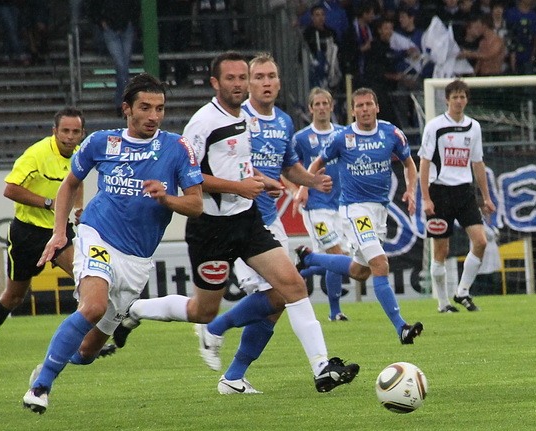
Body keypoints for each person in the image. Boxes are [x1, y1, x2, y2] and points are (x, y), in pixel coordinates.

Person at [116, 51, 359, 394]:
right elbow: (188, 175)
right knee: (203, 311)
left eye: (242, 77)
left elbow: (238, 162)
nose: (238, 84)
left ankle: (321, 367)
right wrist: (240, 187)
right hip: (211, 228)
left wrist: (261, 179)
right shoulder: (203, 123)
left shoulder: (244, 116)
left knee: (292, 286)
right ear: (215, 83)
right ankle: (136, 309)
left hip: (246, 220)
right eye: (230, 78)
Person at [22, 73, 204, 413]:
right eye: (145, 107)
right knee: (92, 306)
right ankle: (40, 387)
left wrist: (166, 198)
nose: (153, 116)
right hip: (98, 235)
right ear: (127, 109)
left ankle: (51, 362)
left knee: (87, 352)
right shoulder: (101, 142)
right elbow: (69, 184)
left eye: (160, 109)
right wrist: (60, 232)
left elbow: (196, 205)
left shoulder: (178, 148)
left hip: (137, 259)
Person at [0, 108, 110, 373]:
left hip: (59, 232)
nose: (70, 137)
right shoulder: (37, 154)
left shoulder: (79, 153)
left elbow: (77, 181)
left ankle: (89, 342)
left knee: (87, 279)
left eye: (75, 132)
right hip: (27, 233)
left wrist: (78, 208)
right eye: (65, 131)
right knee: (14, 296)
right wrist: (49, 202)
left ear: (82, 134)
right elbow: (10, 189)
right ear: (54, 131)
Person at [296, 87, 423, 345]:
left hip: (379, 211)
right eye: (360, 106)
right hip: (354, 210)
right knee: (380, 264)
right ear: (353, 111)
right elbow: (317, 163)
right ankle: (401, 327)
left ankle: (309, 258)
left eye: (369, 104)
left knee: (359, 271)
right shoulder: (342, 138)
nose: (365, 109)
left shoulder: (391, 133)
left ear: (377, 107)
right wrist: (305, 187)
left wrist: (411, 190)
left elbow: (409, 163)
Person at [418, 79, 496, 313]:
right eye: (455, 97)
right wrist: (426, 197)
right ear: (447, 100)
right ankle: (443, 303)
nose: (459, 101)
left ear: (467, 99)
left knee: (481, 241)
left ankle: (462, 292)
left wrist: (486, 197)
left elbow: (478, 162)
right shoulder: (435, 126)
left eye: (462, 97)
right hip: (439, 191)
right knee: (441, 250)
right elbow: (424, 162)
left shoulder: (474, 127)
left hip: (464, 191)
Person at [292, 87, 355, 323]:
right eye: (316, 104)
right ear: (310, 108)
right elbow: (286, 168)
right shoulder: (301, 138)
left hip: (341, 206)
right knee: (336, 256)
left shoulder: (343, 134)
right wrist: (299, 190)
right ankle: (335, 311)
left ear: (331, 106)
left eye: (325, 103)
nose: (321, 108)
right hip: (316, 208)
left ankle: (300, 267)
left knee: (343, 260)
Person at [87, 0, 140, 116]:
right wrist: (102, 23)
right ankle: (125, 101)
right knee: (122, 66)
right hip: (111, 29)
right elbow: (94, 7)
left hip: (125, 27)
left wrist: (131, 22)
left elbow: (135, 5)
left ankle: (122, 102)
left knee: (123, 67)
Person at [504, 0, 536, 75]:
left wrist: (533, 55)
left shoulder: (535, 16)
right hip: (510, 57)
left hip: (528, 57)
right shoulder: (510, 13)